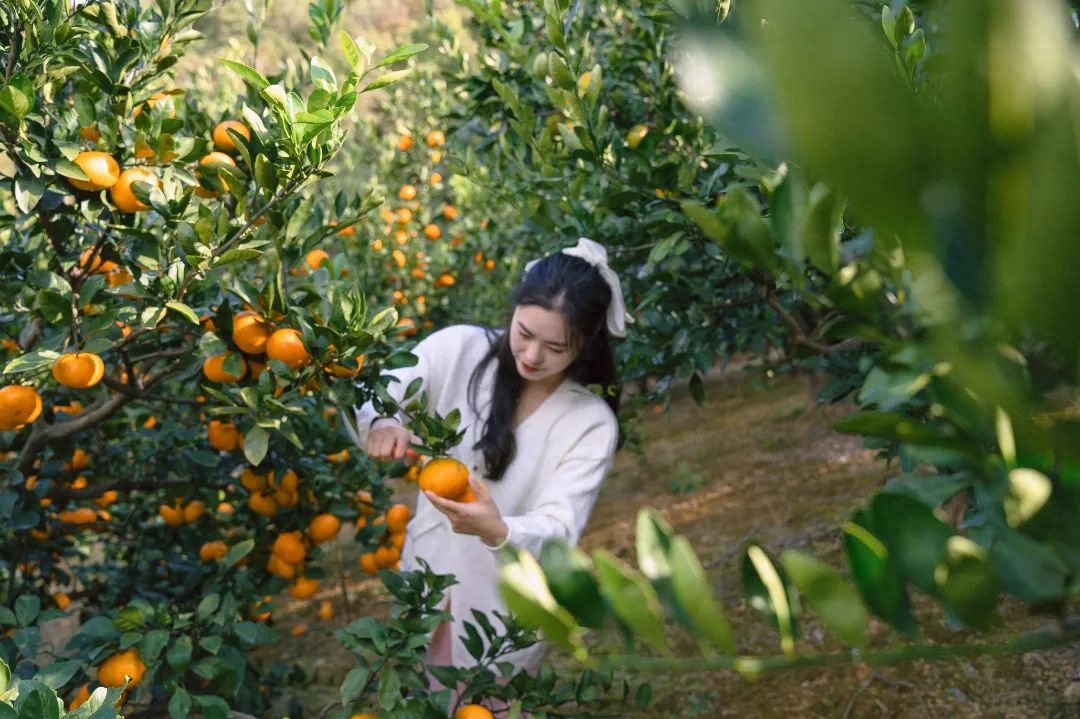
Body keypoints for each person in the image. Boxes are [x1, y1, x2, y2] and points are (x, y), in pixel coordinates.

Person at [348, 237, 630, 674]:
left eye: (556, 348)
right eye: (525, 333)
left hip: (503, 610)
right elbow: (384, 389)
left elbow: (559, 527)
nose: (533, 356)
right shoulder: (460, 349)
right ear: (513, 309)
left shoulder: (589, 423)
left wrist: (499, 529)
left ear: (586, 343)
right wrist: (383, 420)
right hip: (426, 576)